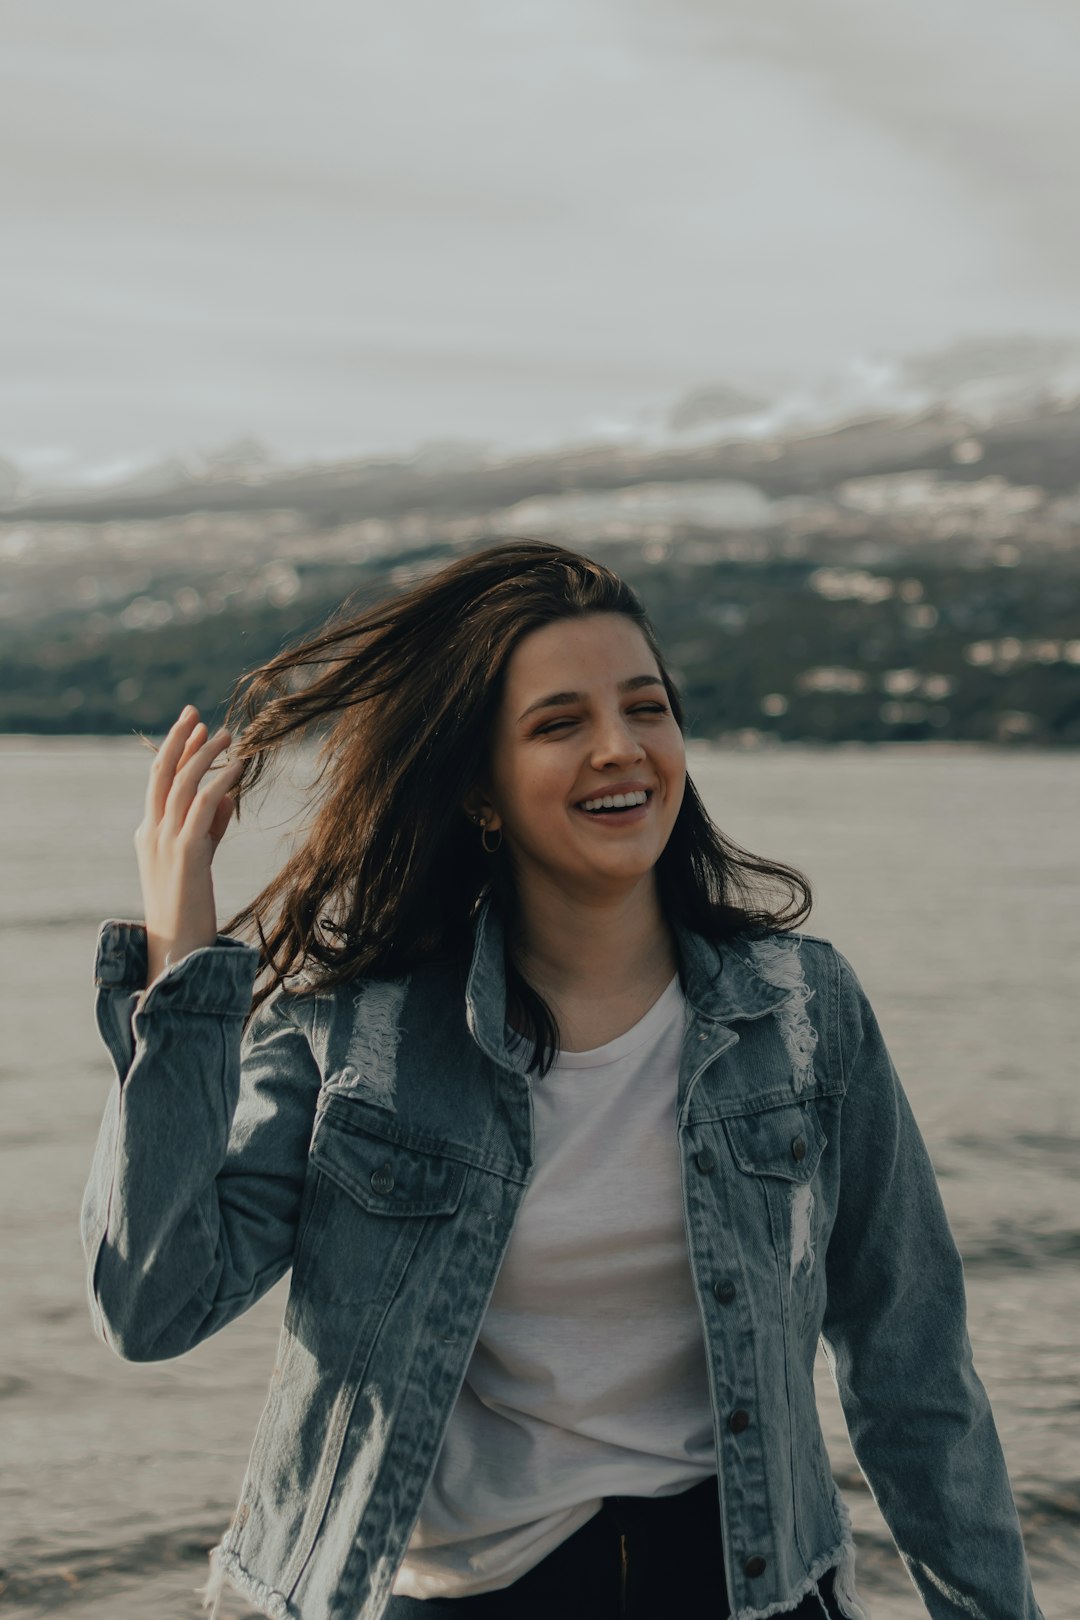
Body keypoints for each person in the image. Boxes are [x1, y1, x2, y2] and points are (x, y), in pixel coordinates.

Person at [81, 540, 1044, 1620]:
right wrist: (181, 971)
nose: (620, 750)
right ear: (481, 795)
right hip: (458, 1596)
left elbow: (913, 1371)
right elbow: (154, 1304)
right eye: (559, 724)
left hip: (745, 1588)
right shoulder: (361, 1033)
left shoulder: (800, 1011)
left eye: (647, 709)